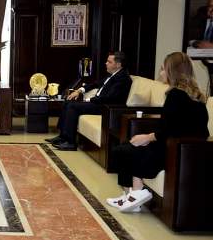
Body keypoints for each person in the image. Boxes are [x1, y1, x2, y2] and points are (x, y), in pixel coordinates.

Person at [106, 52, 209, 212]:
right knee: (126, 147)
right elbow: (175, 126)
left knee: (127, 150)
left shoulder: (176, 95)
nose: (160, 72)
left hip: (177, 150)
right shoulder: (194, 95)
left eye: (163, 69)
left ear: (172, 71)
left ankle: (135, 195)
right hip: (180, 147)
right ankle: (130, 196)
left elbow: (171, 128)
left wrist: (147, 137)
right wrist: (148, 137)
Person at [47, 51, 132, 151]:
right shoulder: (113, 74)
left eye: (109, 62)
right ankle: (62, 136)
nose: (106, 63)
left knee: (72, 106)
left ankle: (70, 143)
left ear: (118, 64)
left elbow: (109, 98)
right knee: (67, 102)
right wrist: (79, 90)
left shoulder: (122, 78)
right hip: (98, 103)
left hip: (105, 107)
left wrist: (88, 100)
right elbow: (95, 84)